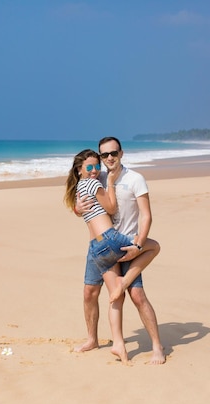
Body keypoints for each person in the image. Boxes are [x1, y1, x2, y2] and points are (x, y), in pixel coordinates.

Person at [76, 137, 165, 364]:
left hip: (125, 242)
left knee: (136, 296)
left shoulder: (135, 179)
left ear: (121, 153)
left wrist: (138, 245)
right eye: (104, 155)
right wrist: (77, 208)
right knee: (89, 293)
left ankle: (157, 347)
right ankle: (92, 339)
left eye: (113, 153)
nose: (108, 159)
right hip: (98, 244)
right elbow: (86, 203)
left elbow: (146, 215)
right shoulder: (99, 176)